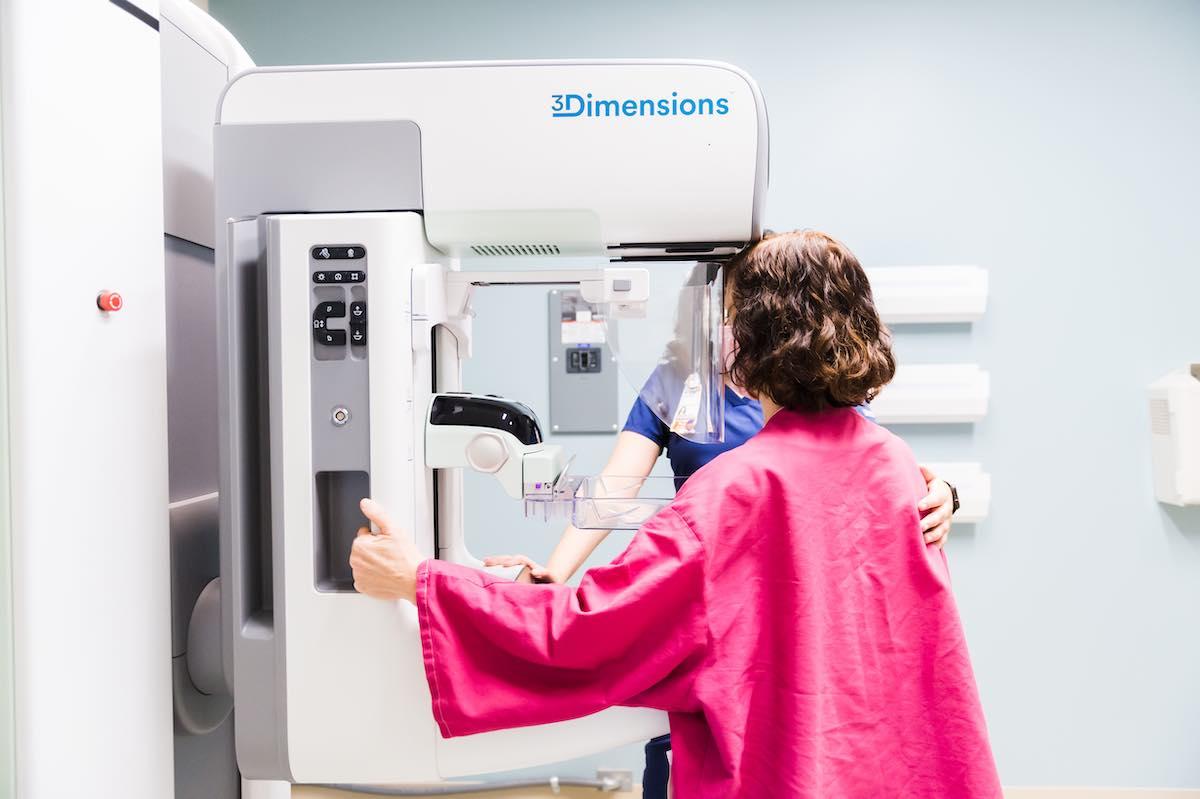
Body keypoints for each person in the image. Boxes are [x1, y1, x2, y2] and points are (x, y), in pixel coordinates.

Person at [349, 230, 1001, 798]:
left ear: (748, 339)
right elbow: (617, 489)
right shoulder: (894, 462)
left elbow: (585, 634)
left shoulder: (729, 492)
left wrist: (422, 581)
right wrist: (550, 574)